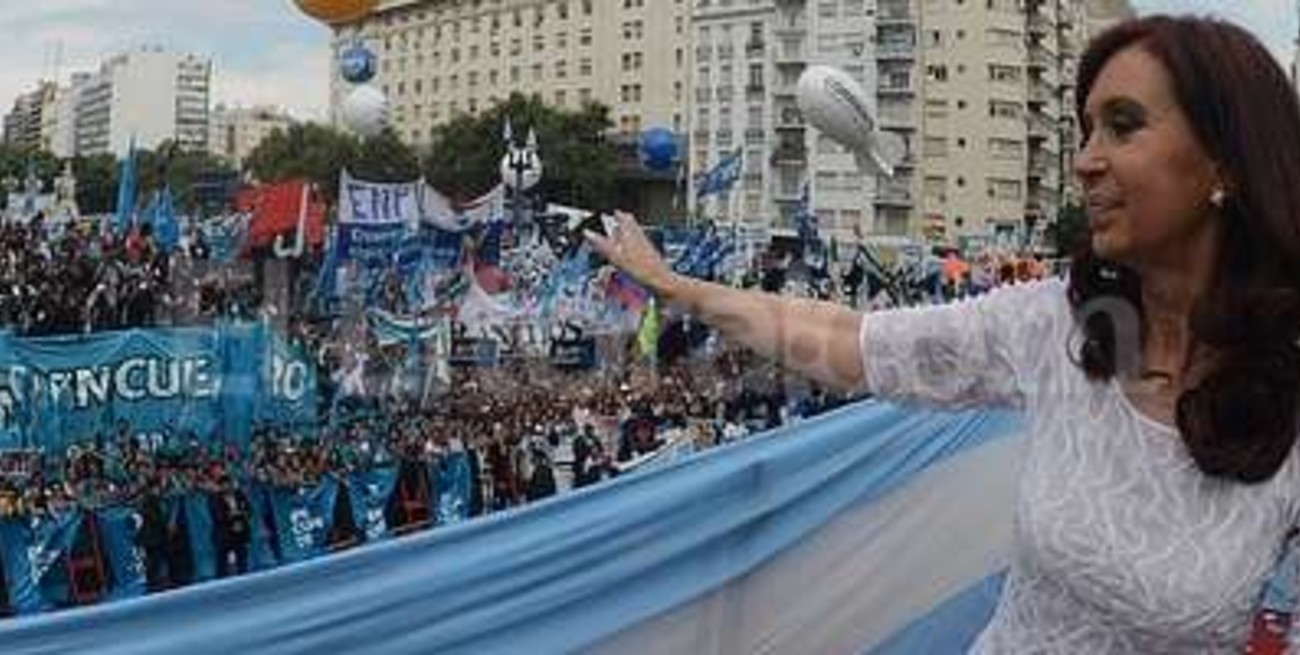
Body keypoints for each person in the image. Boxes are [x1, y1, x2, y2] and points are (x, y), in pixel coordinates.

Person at [587, 15, 1300, 652]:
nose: (1085, 159)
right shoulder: (1055, 324)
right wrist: (684, 290)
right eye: (1084, 130)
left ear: (1224, 164)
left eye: (1123, 124)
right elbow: (849, 342)